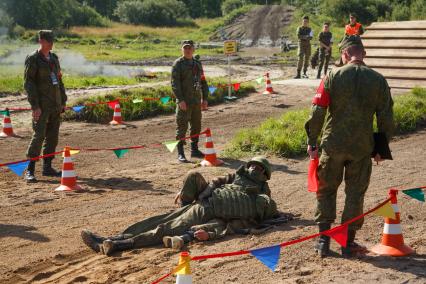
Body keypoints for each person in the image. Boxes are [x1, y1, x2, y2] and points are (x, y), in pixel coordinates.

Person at [80, 157, 287, 256]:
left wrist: (215, 232)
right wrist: (201, 194)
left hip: (209, 212)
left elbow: (242, 222)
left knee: (164, 228)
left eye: (258, 168)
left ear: (264, 175)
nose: (253, 168)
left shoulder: (260, 198)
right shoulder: (236, 177)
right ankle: (116, 237)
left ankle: (114, 244)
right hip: (203, 202)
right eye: (251, 165)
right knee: (159, 219)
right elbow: (216, 181)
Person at [304, 36, 394, 258]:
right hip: (362, 147)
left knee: (326, 190)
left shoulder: (332, 76)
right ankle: (347, 243)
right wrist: (381, 149)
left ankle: (323, 242)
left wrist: (312, 141)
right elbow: (386, 118)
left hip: (332, 144)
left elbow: (317, 111)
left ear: (344, 55)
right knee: (355, 193)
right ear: (363, 54)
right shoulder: (378, 80)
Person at [24, 30, 67, 183]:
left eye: (52, 40)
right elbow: (29, 84)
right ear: (41, 41)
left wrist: (63, 101)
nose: (51, 43)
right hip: (41, 105)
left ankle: (47, 167)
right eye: (48, 40)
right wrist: (35, 106)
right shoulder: (33, 59)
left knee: (52, 137)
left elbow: (59, 80)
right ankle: (29, 170)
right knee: (39, 136)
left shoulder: (54, 58)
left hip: (55, 104)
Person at [171, 40, 209, 163]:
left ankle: (194, 150)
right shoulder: (178, 64)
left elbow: (203, 82)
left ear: (193, 50)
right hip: (184, 102)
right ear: (182, 50)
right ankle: (181, 153)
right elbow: (175, 84)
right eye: (185, 48)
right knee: (181, 126)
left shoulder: (197, 64)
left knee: (196, 125)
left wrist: (205, 98)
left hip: (196, 101)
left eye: (189, 48)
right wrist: (180, 100)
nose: (187, 50)